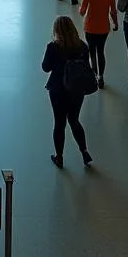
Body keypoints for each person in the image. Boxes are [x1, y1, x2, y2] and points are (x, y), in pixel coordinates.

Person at [41, 16, 93, 169]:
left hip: (58, 89)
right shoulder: (82, 46)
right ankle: (84, 151)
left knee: (59, 123)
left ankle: (59, 157)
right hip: (77, 89)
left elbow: (45, 67)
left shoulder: (53, 47)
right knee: (74, 120)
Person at [79, 0, 118, 88]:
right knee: (101, 52)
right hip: (104, 28)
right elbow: (113, 12)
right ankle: (101, 76)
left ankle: (94, 73)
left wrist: (81, 8)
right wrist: (116, 24)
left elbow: (82, 12)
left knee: (92, 51)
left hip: (90, 28)